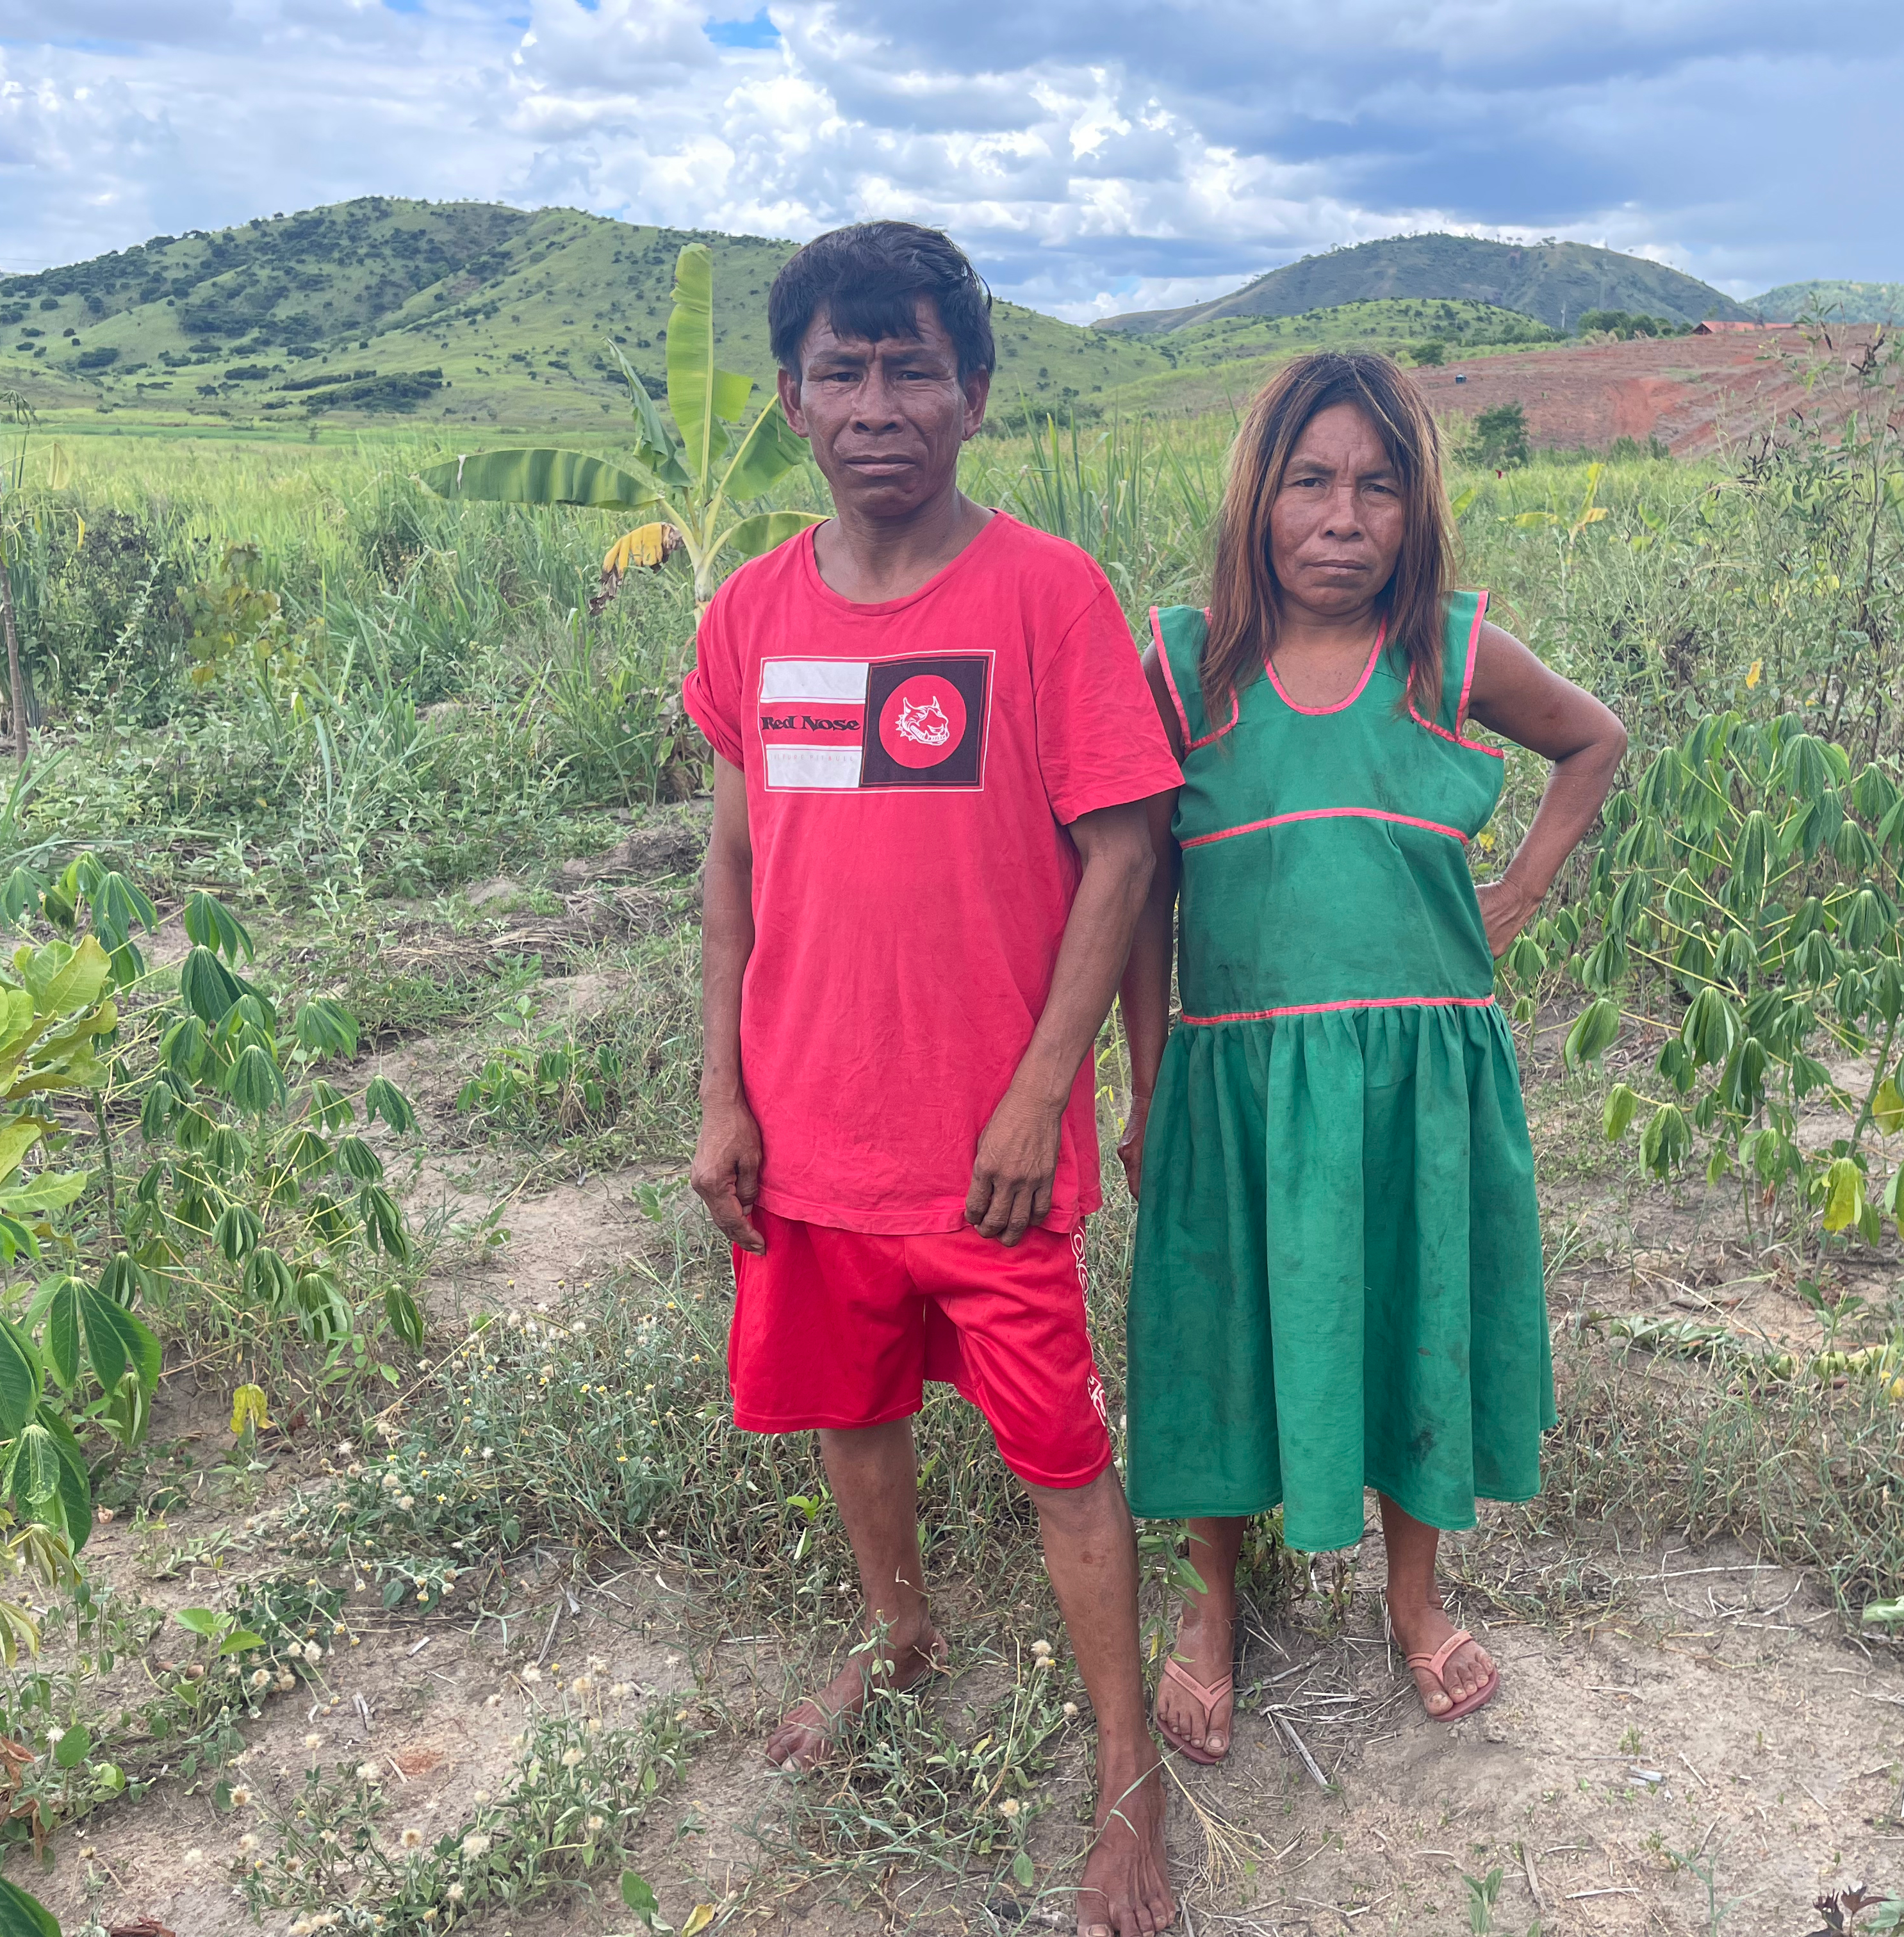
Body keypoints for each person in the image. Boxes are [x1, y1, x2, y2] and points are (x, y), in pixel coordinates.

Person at [685, 220, 1177, 1936]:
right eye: (842, 368)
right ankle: (899, 1637)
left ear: (974, 393)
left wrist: (1045, 1090)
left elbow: (1124, 851)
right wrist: (721, 1097)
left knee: (1061, 1456)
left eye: (912, 366)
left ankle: (1128, 1782)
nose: (876, 402)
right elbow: (732, 871)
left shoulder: (1049, 598)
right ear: (791, 396)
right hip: (807, 1137)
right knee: (856, 1411)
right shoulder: (751, 615)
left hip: (985, 1156)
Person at [1115, 352, 1627, 1763]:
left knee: (1413, 1315)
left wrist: (1515, 895)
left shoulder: (1447, 653)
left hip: (1416, 1082)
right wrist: (1147, 1080)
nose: (1343, 518)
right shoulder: (1183, 664)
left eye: (1379, 486)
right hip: (1236, 1083)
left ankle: (1415, 1602)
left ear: (1417, 510)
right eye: (1311, 482)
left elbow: (1593, 739)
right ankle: (1213, 1605)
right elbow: (1136, 892)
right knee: (1222, 1333)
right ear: (1257, 498)